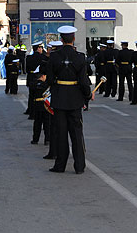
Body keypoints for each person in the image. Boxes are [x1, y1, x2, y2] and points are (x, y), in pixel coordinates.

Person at [46, 26, 92, 174]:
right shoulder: (80, 57)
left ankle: (60, 166)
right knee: (77, 134)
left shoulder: (53, 56)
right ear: (73, 39)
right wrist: (87, 95)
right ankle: (79, 166)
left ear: (60, 39)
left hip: (59, 98)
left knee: (61, 133)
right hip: (75, 99)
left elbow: (51, 79)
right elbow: (84, 81)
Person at [30, 65, 50, 145]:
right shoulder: (46, 84)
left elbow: (31, 95)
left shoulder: (33, 84)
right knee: (47, 124)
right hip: (45, 105)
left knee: (37, 123)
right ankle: (47, 140)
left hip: (37, 105)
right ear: (43, 76)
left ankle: (35, 139)